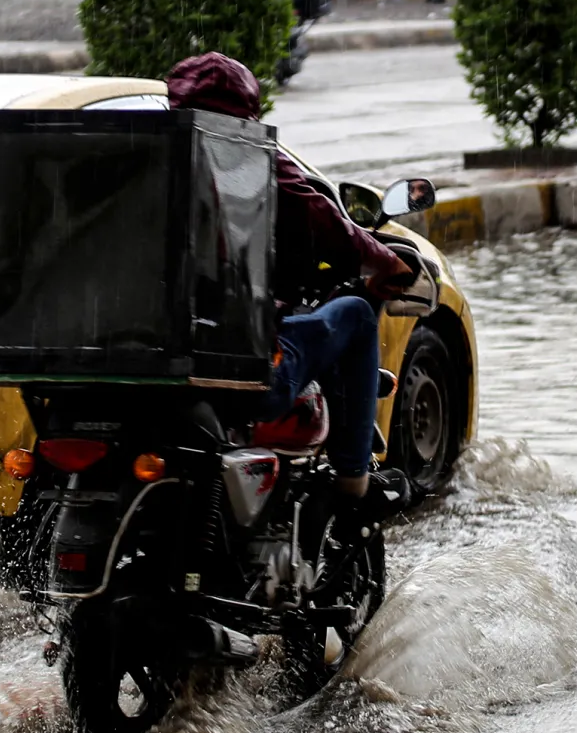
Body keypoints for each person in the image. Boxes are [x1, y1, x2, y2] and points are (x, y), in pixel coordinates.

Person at [165, 51, 418, 525]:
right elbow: (319, 217)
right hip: (226, 368)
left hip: (121, 370)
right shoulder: (242, 151)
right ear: (249, 113)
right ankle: (354, 483)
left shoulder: (139, 157)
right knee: (357, 317)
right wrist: (384, 261)